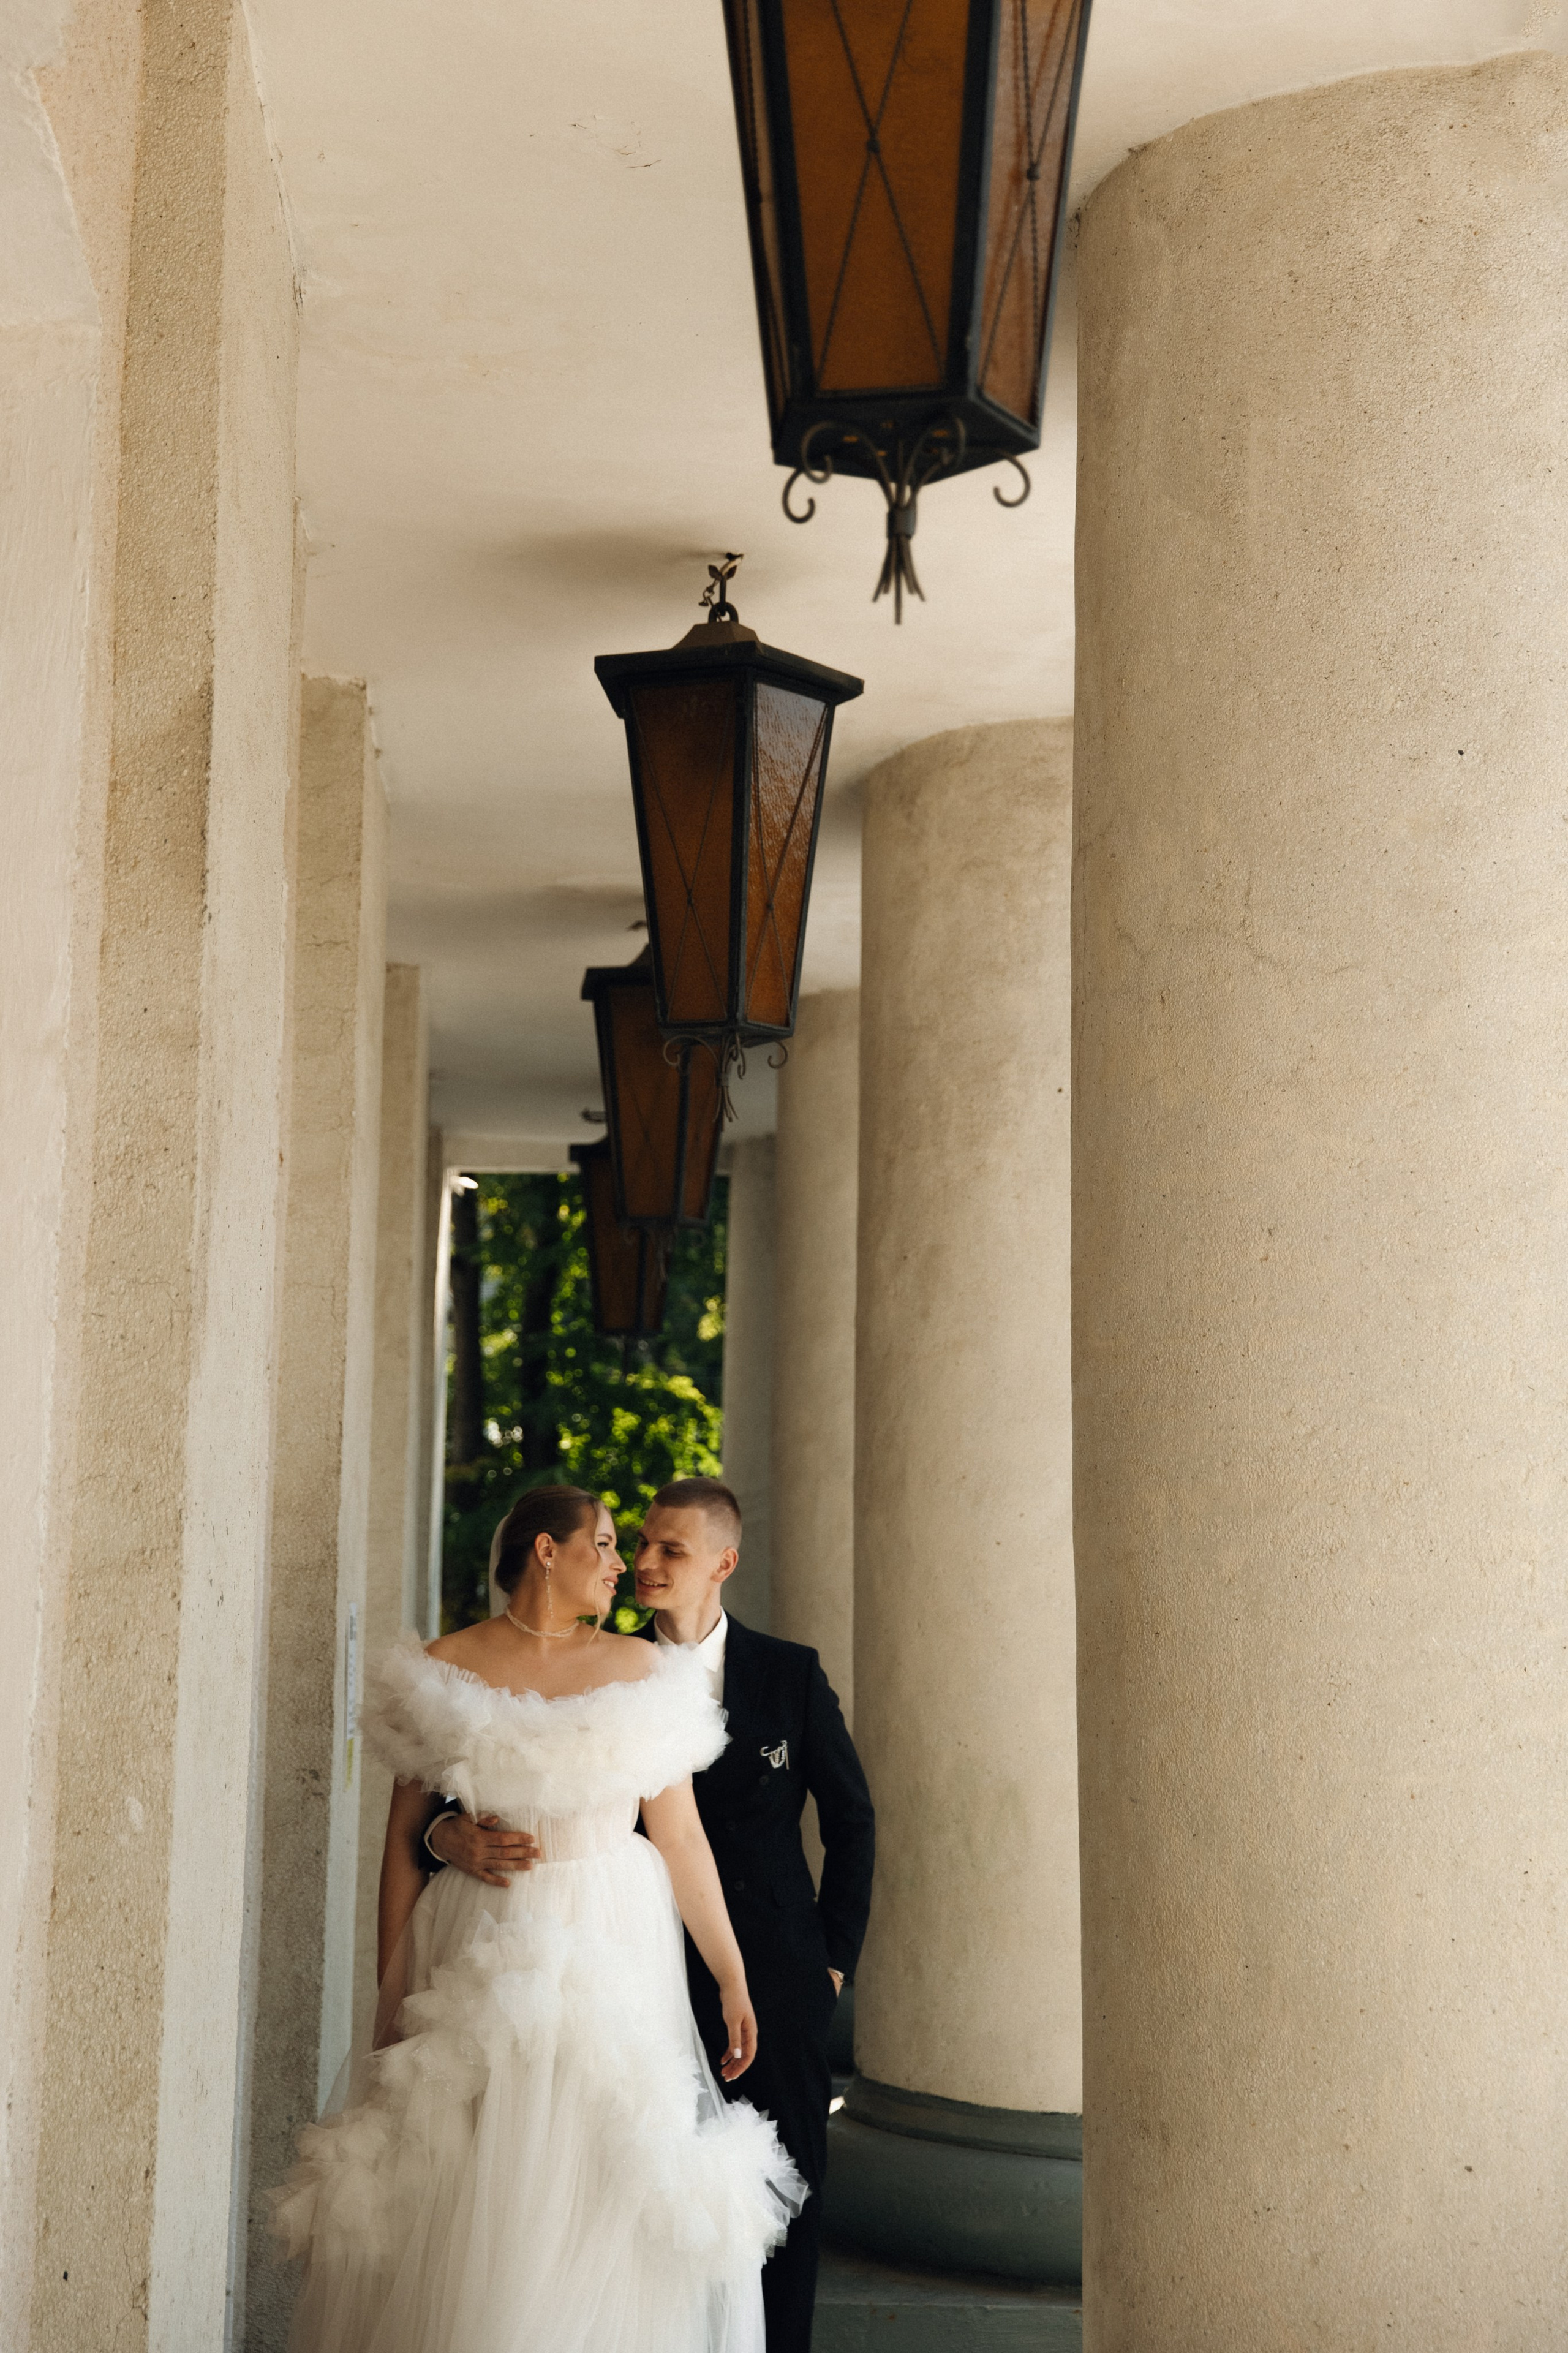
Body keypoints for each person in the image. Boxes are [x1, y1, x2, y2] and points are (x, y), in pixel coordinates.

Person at [271, 1484, 802, 2353]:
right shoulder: (440, 1666)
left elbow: (681, 1838)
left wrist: (732, 1972)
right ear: (545, 1551)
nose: (621, 1560)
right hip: (478, 1936)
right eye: (602, 1540)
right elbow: (403, 1840)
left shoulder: (642, 1669)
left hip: (611, 1928)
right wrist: (391, 1983)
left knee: (603, 2160)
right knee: (472, 2163)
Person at [429, 1478, 874, 2352]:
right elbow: (477, 1792)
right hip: (628, 1974)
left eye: (670, 1549)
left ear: (723, 1563)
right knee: (628, 2201)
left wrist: (830, 1960)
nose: (642, 1562)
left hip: (773, 1976)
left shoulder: (788, 1673)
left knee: (770, 2208)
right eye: (638, 1543)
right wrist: (448, 1832)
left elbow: (851, 1817)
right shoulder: (599, 1662)